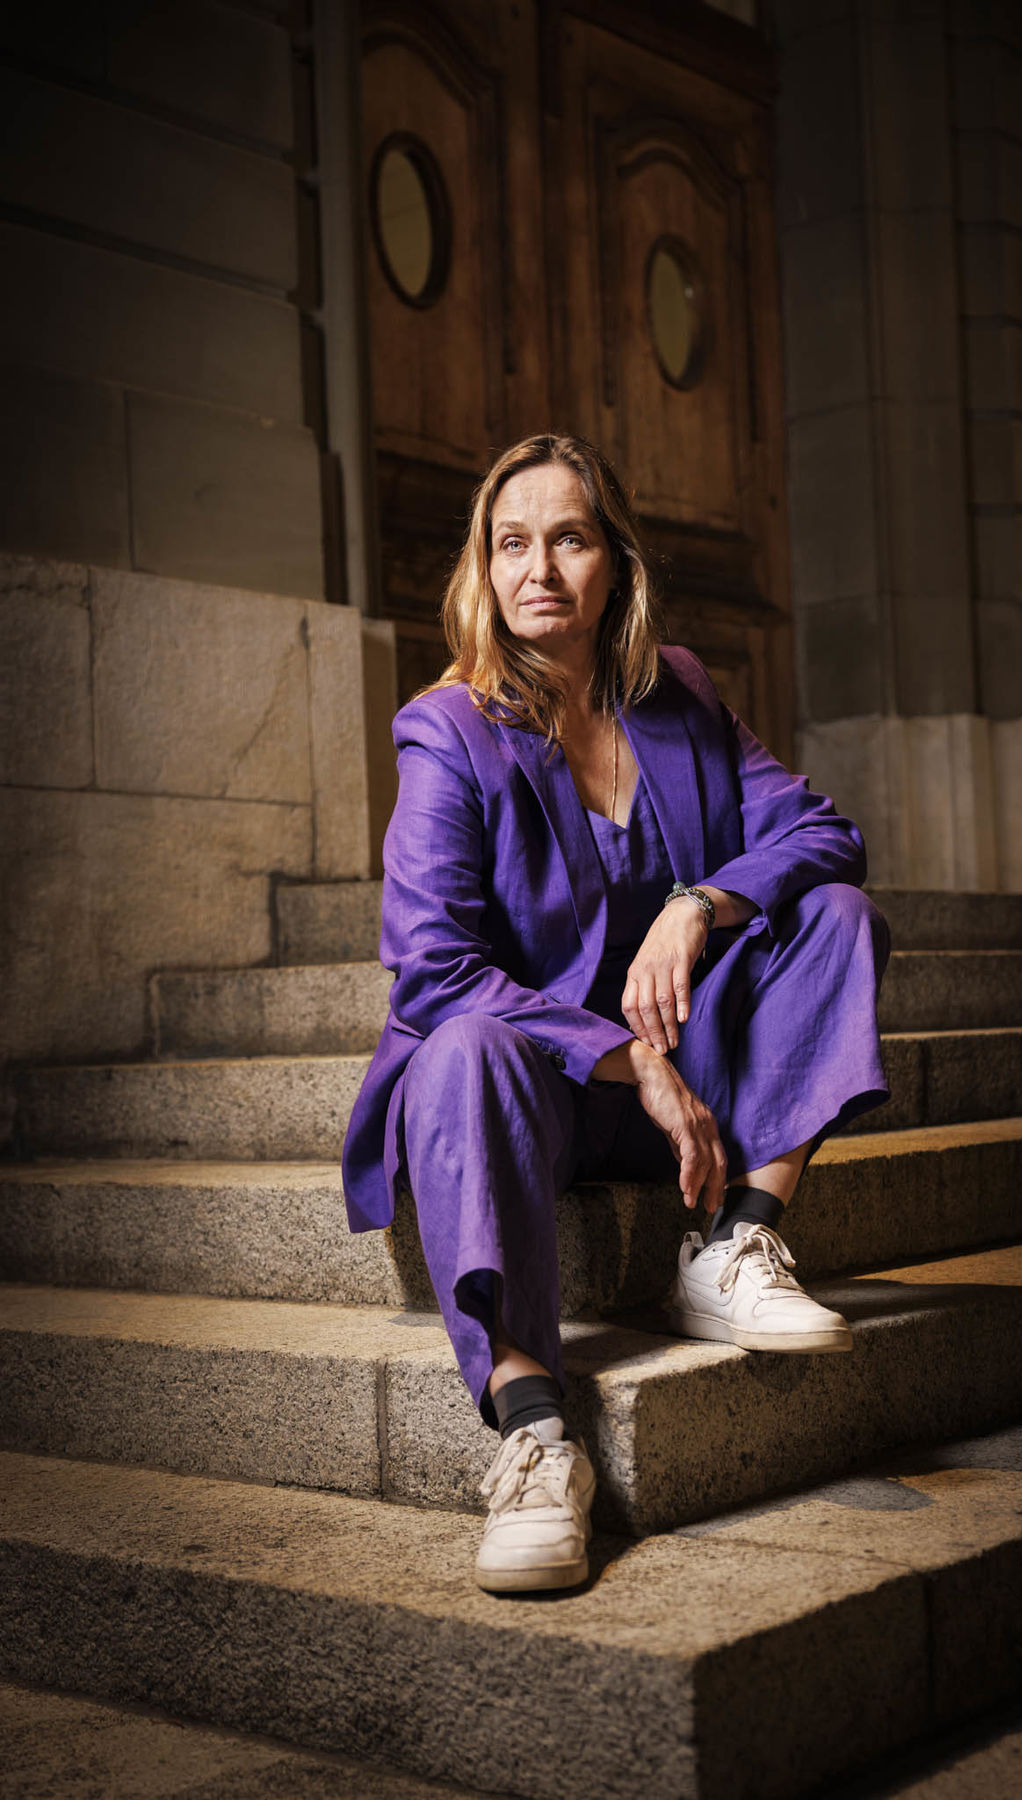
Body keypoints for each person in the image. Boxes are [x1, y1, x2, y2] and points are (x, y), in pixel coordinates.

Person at [342, 433, 890, 1594]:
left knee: (834, 913)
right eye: (512, 543)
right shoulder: (449, 730)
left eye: (570, 539)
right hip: (528, 1092)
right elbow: (433, 970)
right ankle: (535, 1433)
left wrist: (697, 904)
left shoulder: (677, 694)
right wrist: (625, 1057)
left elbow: (824, 832)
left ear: (616, 565)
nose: (539, 569)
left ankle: (734, 1243)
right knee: (460, 1046)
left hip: (683, 1091)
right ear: (484, 569)